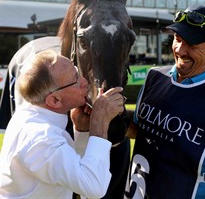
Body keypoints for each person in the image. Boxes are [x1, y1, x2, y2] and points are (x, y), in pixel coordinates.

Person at [125, 5, 205, 199]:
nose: (180, 50)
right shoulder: (154, 77)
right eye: (177, 39)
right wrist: (106, 116)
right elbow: (141, 132)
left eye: (192, 44)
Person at [0, 50, 125, 199]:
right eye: (76, 79)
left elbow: (70, 170)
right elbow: (93, 187)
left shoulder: (32, 113)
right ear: (55, 100)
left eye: (77, 71)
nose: (85, 81)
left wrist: (80, 130)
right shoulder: (41, 138)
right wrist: (99, 122)